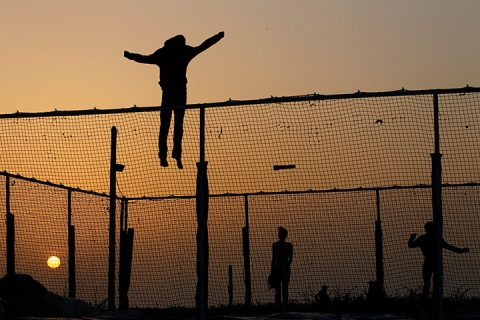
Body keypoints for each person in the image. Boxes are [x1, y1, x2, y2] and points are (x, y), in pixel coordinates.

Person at [124, 31, 225, 169]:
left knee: (165, 125)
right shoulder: (183, 52)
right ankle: (175, 155)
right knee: (177, 125)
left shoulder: (164, 53)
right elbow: (203, 46)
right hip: (179, 93)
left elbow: (144, 58)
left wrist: (130, 56)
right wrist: (218, 37)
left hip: (168, 93)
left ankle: (165, 155)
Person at [408, 221, 469, 300]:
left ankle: (429, 301)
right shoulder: (432, 238)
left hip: (432, 263)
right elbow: (449, 247)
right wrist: (460, 250)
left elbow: (411, 245)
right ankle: (430, 301)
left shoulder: (426, 238)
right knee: (432, 284)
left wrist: (412, 238)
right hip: (433, 263)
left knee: (430, 284)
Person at [271, 226, 293, 312]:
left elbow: (290, 259)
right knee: (278, 289)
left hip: (285, 269)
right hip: (276, 269)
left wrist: (286, 267)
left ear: (285, 235)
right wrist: (272, 270)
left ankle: (284, 308)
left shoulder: (289, 245)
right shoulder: (275, 245)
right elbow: (273, 258)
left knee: (285, 289)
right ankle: (278, 308)